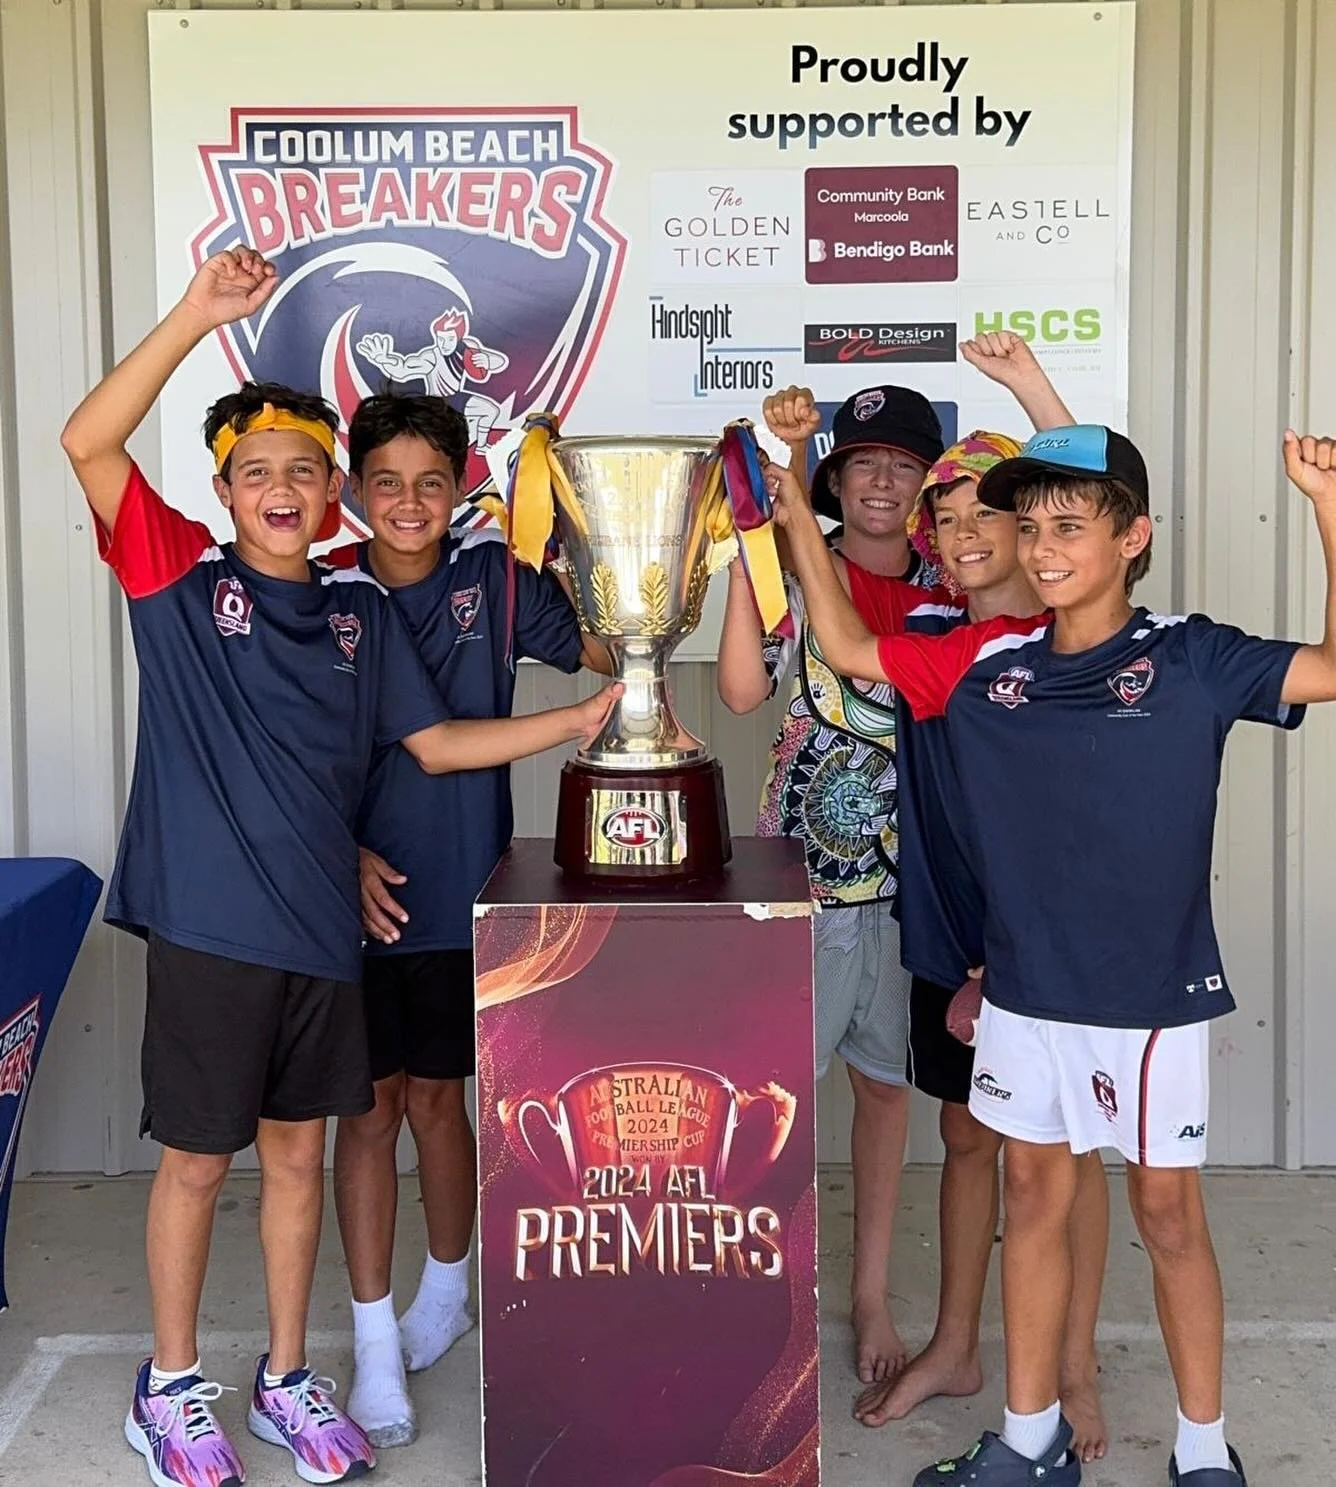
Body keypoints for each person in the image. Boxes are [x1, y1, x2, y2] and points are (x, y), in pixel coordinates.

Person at [60, 246, 618, 1487]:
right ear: (224, 488)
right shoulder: (180, 582)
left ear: (333, 500)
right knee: (200, 1162)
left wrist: (574, 723)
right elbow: (89, 441)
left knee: (305, 1155)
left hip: (322, 931)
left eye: (302, 472)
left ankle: (284, 1373)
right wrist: (197, 313)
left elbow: (432, 744)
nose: (280, 488)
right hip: (212, 931)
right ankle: (169, 1385)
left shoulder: (360, 610)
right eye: (255, 471)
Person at [773, 418, 1336, 1486]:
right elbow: (847, 651)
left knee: (1165, 1211)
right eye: (1027, 524)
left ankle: (1203, 1451)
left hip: (1146, 998)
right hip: (1021, 992)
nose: (1040, 546)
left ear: (1134, 538)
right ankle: (1028, 1439)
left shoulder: (1190, 654)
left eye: (1069, 525)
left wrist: (1325, 507)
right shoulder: (989, 660)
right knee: (1032, 1194)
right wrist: (799, 508)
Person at [834, 339, 1111, 1466]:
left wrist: (1032, 391)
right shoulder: (930, 634)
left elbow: (1085, 495)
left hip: (1056, 934)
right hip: (949, 925)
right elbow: (846, 640)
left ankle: (1077, 1359)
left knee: (1069, 1146)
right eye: (942, 523)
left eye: (982, 518)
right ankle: (955, 1343)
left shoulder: (1071, 632)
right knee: (962, 1131)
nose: (957, 536)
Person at [327, 392, 607, 1447]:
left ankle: (442, 1295)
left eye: (430, 483)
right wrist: (335, 849)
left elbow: (598, 646)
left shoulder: (491, 577)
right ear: (354, 491)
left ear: (462, 490)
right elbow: (284, 743)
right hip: (347, 893)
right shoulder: (322, 589)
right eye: (386, 483)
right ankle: (369, 1341)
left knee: (443, 1103)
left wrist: (582, 535)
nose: (407, 503)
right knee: (367, 1113)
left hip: (456, 890)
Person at [717, 380, 945, 1384]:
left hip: (915, 888)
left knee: (885, 1091)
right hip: (802, 884)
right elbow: (737, 687)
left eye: (903, 464)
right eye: (862, 465)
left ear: (929, 484)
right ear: (835, 481)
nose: (881, 482)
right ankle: (775, 1293)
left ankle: (867, 1290)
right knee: (781, 1100)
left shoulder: (955, 583)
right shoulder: (799, 573)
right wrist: (750, 554)